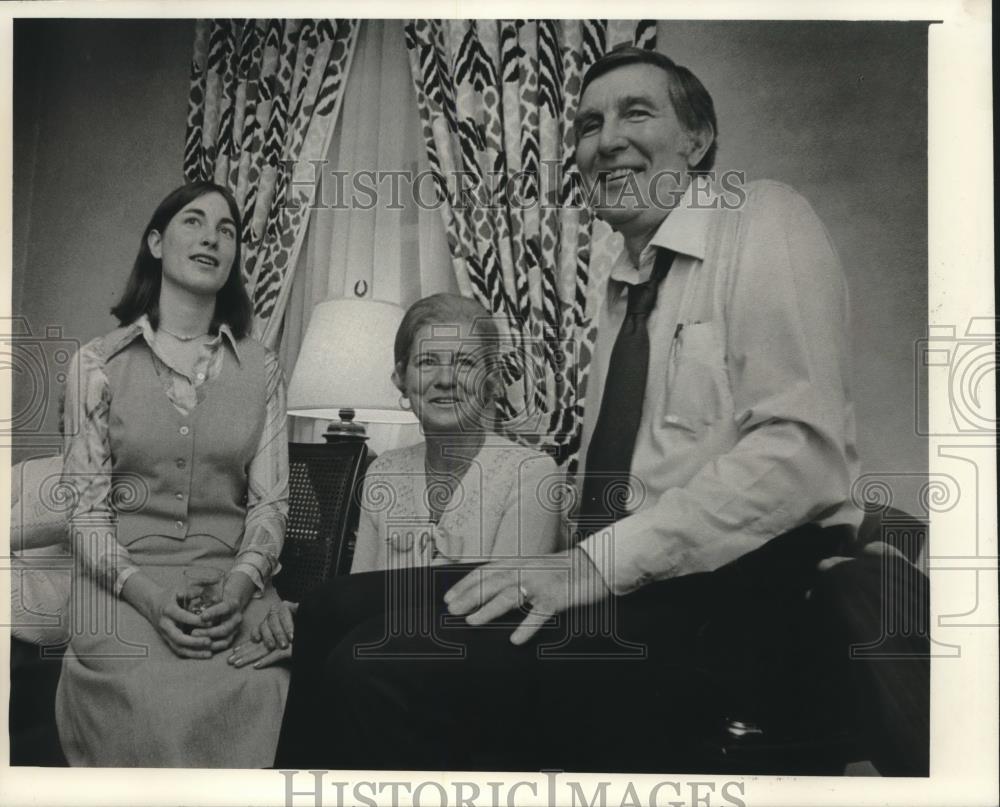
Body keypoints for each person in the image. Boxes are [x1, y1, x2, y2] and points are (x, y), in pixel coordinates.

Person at [269, 47, 870, 772]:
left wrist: (589, 564)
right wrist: (572, 566)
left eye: (635, 112)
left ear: (699, 138)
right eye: (588, 124)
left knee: (372, 666)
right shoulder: (619, 289)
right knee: (332, 607)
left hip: (738, 600)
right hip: (626, 584)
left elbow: (802, 458)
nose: (606, 138)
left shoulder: (764, 217)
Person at [228, 294, 561, 765]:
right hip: (379, 669)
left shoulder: (533, 473)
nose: (445, 380)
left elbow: (499, 619)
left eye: (465, 363)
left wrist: (331, 626)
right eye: (427, 362)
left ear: (490, 382)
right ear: (400, 380)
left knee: (346, 666)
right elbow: (361, 591)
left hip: (480, 685)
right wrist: (302, 619)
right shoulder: (384, 472)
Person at [55, 181, 290, 768]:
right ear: (156, 243)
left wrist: (240, 589)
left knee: (256, 687)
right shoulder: (94, 364)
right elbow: (85, 515)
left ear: (235, 257)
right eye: (194, 221)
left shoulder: (262, 368)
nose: (213, 235)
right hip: (124, 589)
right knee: (150, 701)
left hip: (232, 585)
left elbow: (269, 505)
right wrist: (152, 599)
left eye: (228, 229)